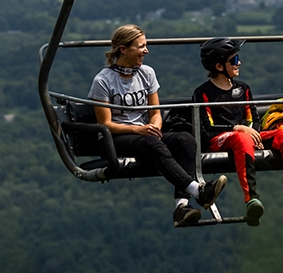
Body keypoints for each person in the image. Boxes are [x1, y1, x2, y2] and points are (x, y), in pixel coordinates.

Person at [88, 24, 227, 227]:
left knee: (185, 140)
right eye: (141, 46)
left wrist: (154, 125)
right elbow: (106, 124)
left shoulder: (147, 73)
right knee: (152, 144)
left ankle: (182, 207)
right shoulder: (103, 81)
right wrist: (140, 129)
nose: (146, 51)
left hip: (144, 135)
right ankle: (198, 191)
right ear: (123, 49)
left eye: (146, 45)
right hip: (115, 139)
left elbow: (156, 112)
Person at [193, 37, 283, 226]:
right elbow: (206, 129)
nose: (238, 62)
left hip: (247, 136)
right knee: (242, 139)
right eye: (234, 60)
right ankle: (251, 199)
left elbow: (253, 118)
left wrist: (254, 132)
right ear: (219, 66)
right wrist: (237, 128)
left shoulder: (243, 89)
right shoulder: (203, 94)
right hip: (220, 139)